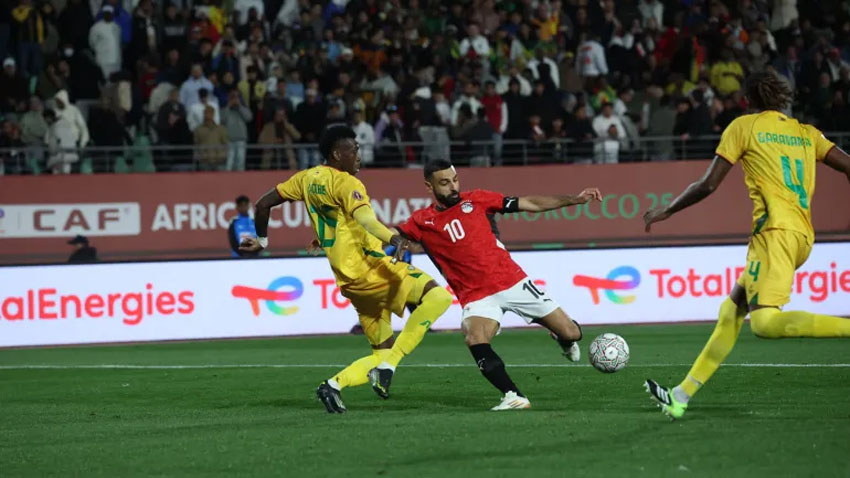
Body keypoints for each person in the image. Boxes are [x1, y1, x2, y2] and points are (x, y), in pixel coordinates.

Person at [643, 71, 850, 420]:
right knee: (732, 309)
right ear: (782, 99)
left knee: (765, 324)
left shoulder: (744, 127)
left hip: (774, 234)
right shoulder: (806, 133)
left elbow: (708, 185)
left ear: (747, 100)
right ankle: (680, 396)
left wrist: (667, 210)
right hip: (800, 236)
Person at [238, 125, 453, 413]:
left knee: (382, 352)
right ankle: (389, 368)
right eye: (354, 149)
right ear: (338, 154)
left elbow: (263, 204)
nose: (359, 155)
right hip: (373, 270)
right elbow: (367, 220)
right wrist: (395, 238)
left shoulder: (305, 178)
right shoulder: (348, 183)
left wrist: (263, 241)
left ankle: (333, 385)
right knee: (439, 298)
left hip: (351, 285)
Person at [394, 159, 599, 410]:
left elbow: (530, 203)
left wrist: (574, 200)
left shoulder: (478, 199)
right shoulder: (420, 221)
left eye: (455, 180)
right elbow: (397, 238)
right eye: (445, 183)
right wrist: (398, 240)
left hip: (511, 281)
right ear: (429, 186)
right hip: (476, 296)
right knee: (474, 337)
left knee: (572, 332)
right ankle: (513, 395)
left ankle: (563, 339)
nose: (453, 187)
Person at [220, 89, 252, 171]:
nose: (234, 99)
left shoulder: (243, 108)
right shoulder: (225, 109)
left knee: (240, 163)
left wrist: (240, 106)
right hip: (229, 140)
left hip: (241, 139)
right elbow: (222, 119)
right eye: (232, 97)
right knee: (229, 164)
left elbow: (249, 118)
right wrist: (229, 105)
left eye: (237, 97)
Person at [193, 106, 228, 171]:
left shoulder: (221, 129)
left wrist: (223, 156)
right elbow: (196, 145)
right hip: (204, 161)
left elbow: (226, 144)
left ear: (213, 114)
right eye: (205, 113)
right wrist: (198, 158)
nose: (207, 115)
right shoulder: (198, 129)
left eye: (209, 112)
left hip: (219, 161)